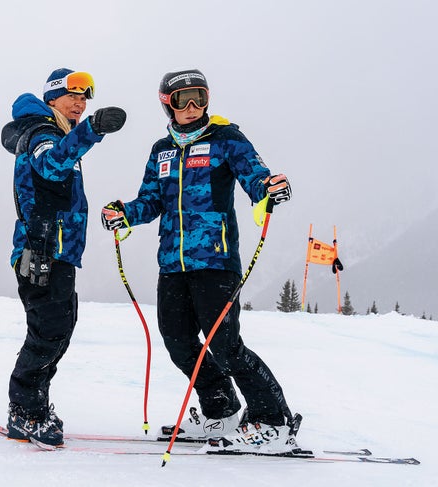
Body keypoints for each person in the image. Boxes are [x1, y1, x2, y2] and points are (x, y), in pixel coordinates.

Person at [100, 69, 298, 453]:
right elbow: (152, 201)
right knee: (177, 342)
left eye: (199, 98)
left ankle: (274, 421)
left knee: (225, 345)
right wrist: (125, 213)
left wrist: (268, 188)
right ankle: (219, 411)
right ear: (166, 103)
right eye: (182, 100)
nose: (191, 108)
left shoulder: (226, 139)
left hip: (216, 260)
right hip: (172, 263)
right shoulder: (162, 149)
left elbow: (255, 177)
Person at [0, 68, 126, 447]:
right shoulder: (42, 133)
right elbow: (51, 165)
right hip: (42, 250)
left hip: (59, 251)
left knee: (60, 329)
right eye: (72, 95)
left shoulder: (58, 133)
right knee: (48, 331)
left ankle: (33, 406)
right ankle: (25, 412)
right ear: (52, 98)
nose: (80, 103)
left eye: (85, 98)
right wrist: (93, 129)